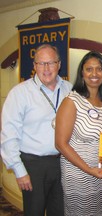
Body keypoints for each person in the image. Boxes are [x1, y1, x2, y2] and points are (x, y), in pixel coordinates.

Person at [1, 44, 72, 216]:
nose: (46, 68)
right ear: (34, 66)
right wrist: (19, 170)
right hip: (34, 166)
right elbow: (8, 135)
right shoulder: (19, 93)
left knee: (60, 212)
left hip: (63, 162)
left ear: (59, 64)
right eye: (41, 63)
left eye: (51, 63)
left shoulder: (70, 90)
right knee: (34, 212)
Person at [55, 51, 102, 216]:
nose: (94, 74)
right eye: (89, 69)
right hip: (79, 177)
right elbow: (61, 144)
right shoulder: (72, 101)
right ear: (82, 73)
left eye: (99, 69)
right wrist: (89, 170)